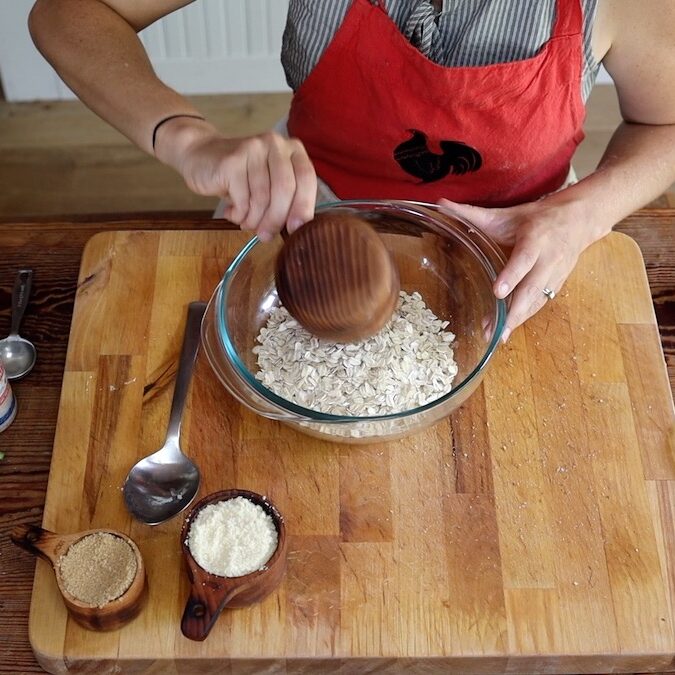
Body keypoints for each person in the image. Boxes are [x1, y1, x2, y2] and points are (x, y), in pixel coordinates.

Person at [28, 0, 675, 342]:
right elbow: (69, 11)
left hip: (517, 253)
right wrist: (188, 138)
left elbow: (665, 123)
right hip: (305, 216)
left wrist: (583, 212)